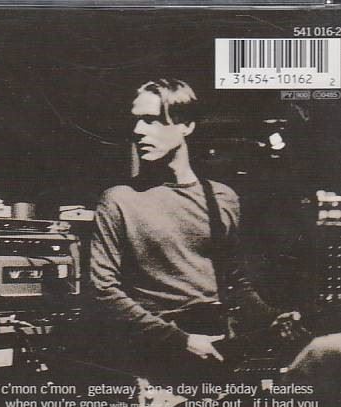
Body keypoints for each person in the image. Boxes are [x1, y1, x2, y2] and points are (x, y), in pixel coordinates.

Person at [90, 78, 298, 378]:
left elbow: (234, 282)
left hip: (216, 348)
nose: (138, 130)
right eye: (136, 120)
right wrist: (181, 341)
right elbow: (103, 291)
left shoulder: (221, 197)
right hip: (155, 355)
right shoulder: (119, 199)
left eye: (151, 120)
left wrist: (272, 318)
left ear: (186, 125)